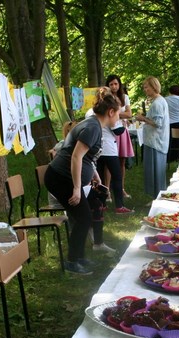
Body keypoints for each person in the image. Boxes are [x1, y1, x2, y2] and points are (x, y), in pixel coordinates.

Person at [45, 89, 121, 275]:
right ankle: (72, 262)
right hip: (60, 178)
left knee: (84, 217)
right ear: (111, 111)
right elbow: (76, 157)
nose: (118, 118)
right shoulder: (93, 127)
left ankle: (78, 257)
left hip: (65, 178)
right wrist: (77, 188)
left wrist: (94, 176)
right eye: (118, 114)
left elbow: (88, 156)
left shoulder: (95, 125)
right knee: (84, 217)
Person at [86, 87, 131, 215]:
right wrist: (123, 125)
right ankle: (119, 205)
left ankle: (101, 204)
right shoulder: (108, 111)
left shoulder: (90, 111)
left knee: (99, 178)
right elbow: (117, 130)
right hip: (109, 148)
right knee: (116, 177)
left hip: (95, 148)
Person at [136, 76, 170, 198]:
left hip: (156, 142)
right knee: (156, 172)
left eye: (147, 87)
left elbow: (157, 123)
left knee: (156, 172)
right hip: (155, 141)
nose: (145, 90)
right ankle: (157, 196)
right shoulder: (159, 101)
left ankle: (158, 197)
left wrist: (143, 118)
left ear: (153, 87)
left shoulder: (157, 103)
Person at [106, 75, 134, 201]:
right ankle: (107, 191)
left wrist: (115, 113)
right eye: (111, 84)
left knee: (122, 161)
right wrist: (121, 114)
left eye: (116, 84)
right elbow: (106, 114)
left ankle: (121, 188)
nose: (114, 86)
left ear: (119, 84)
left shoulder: (124, 97)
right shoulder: (106, 98)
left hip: (122, 131)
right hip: (110, 132)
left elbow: (129, 114)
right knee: (109, 162)